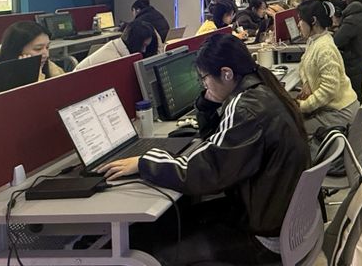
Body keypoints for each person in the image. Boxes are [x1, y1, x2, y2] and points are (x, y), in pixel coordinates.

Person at [98, 34, 310, 263]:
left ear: (226, 73)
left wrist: (144, 162)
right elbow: (219, 144)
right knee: (171, 221)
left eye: (204, 78)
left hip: (263, 239)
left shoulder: (247, 108)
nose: (204, 85)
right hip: (275, 220)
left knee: (151, 251)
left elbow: (206, 170)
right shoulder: (263, 89)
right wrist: (207, 105)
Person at [296, 0, 359, 140]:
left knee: (292, 128)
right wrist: (306, 83)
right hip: (333, 108)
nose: (298, 24)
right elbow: (303, 63)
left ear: (313, 21)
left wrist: (303, 106)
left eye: (301, 20)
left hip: (340, 112)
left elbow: (329, 89)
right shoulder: (314, 40)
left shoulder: (324, 48)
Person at [0, 21, 64, 101]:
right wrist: (29, 76)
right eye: (38, 49)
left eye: (47, 47)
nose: (46, 54)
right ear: (17, 50)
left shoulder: (47, 65)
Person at [75, 21, 160, 70]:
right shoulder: (113, 61)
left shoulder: (118, 48)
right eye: (143, 46)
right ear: (134, 42)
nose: (144, 50)